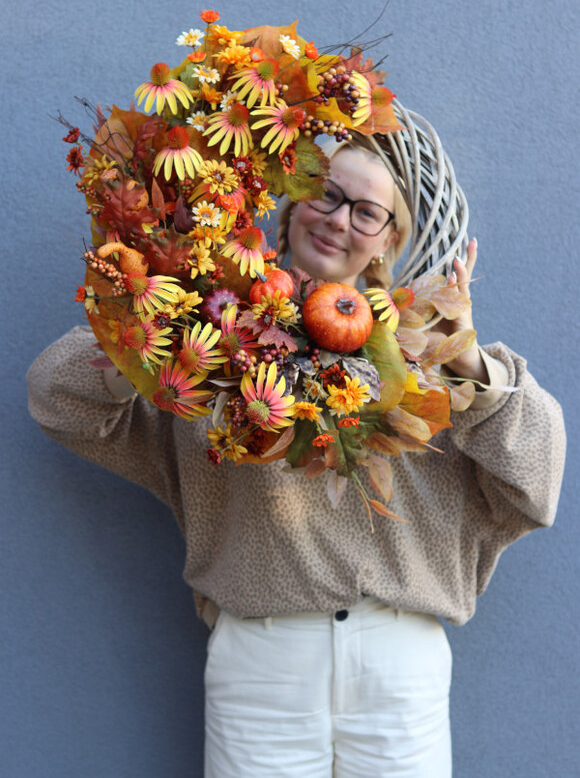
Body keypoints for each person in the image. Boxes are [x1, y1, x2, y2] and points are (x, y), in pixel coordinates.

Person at [27, 127, 565, 777]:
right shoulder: (212, 346)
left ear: (390, 240)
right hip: (261, 668)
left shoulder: (430, 352)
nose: (340, 220)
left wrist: (472, 366)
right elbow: (59, 399)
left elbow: (539, 481)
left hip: (400, 670)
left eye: (367, 211)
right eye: (324, 194)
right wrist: (155, 340)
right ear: (289, 206)